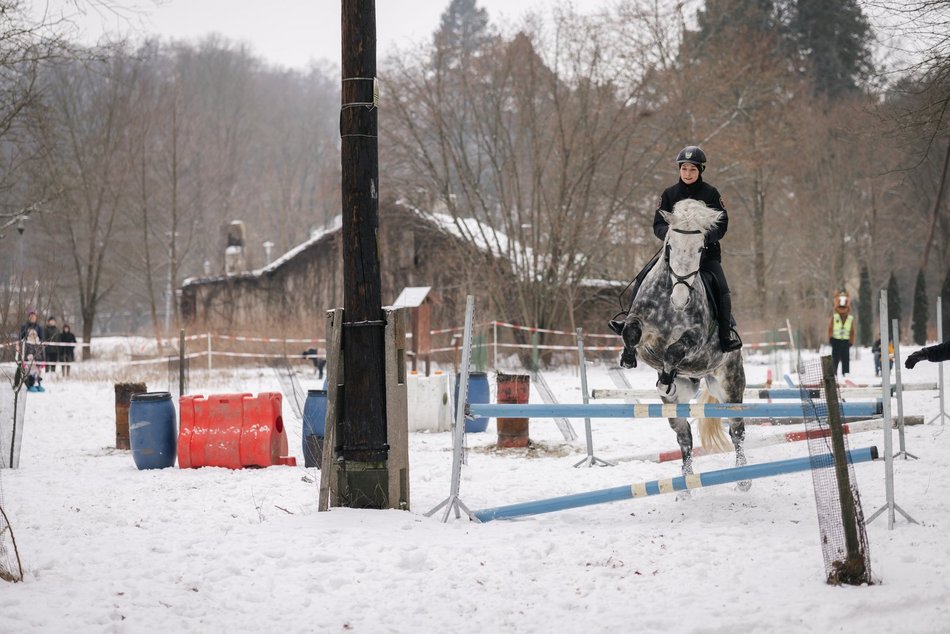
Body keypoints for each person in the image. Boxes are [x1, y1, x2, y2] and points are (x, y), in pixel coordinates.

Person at [654, 146, 742, 352]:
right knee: (643, 278)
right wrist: (670, 235)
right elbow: (657, 224)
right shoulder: (669, 194)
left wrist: (704, 237)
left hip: (706, 256)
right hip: (674, 256)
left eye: (692, 170)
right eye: (684, 169)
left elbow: (722, 225)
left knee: (722, 289)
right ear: (679, 170)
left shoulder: (711, 194)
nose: (688, 174)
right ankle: (630, 321)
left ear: (700, 170)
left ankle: (725, 335)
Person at [828, 290, 855, 376]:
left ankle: (845, 373)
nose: (842, 309)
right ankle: (833, 373)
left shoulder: (850, 318)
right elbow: (830, 328)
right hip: (836, 340)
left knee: (845, 358)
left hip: (846, 341)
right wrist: (831, 338)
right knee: (835, 358)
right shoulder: (834, 317)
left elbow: (852, 331)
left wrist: (851, 341)